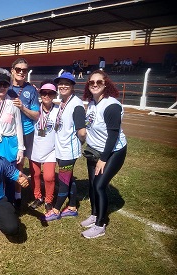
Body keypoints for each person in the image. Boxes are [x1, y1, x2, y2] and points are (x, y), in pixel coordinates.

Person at [81, 70, 127, 238]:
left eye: (98, 82)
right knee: (92, 184)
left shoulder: (111, 106)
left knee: (100, 186)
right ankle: (94, 214)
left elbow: (113, 135)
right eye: (91, 82)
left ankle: (100, 225)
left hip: (113, 151)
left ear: (105, 84)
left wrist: (103, 159)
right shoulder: (92, 103)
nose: (94, 84)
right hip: (94, 150)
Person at [43, 72, 86, 222]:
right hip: (62, 149)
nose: (62, 86)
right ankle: (72, 206)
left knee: (63, 181)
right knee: (69, 179)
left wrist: (80, 143)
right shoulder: (63, 102)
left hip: (68, 151)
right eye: (60, 83)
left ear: (73, 86)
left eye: (66, 84)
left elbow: (82, 131)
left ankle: (56, 210)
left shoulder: (77, 104)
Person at [0, 68, 25, 207]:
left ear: (8, 86)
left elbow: (19, 126)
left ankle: (9, 204)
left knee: (10, 176)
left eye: (5, 85)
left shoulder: (13, 103)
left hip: (10, 143)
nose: (1, 88)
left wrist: (21, 149)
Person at [8, 58, 40, 211]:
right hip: (10, 132)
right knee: (9, 162)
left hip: (27, 132)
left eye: (24, 70)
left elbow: (36, 115)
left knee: (22, 164)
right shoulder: (5, 87)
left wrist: (22, 108)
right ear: (12, 70)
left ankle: (18, 195)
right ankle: (7, 191)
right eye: (18, 69)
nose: (21, 72)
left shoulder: (31, 90)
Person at [28, 81, 59, 212]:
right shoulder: (34, 109)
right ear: (40, 94)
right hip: (34, 148)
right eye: (44, 93)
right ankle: (38, 197)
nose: (47, 96)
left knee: (49, 177)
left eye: (50, 93)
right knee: (34, 175)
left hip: (51, 150)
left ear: (54, 95)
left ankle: (49, 200)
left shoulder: (59, 110)